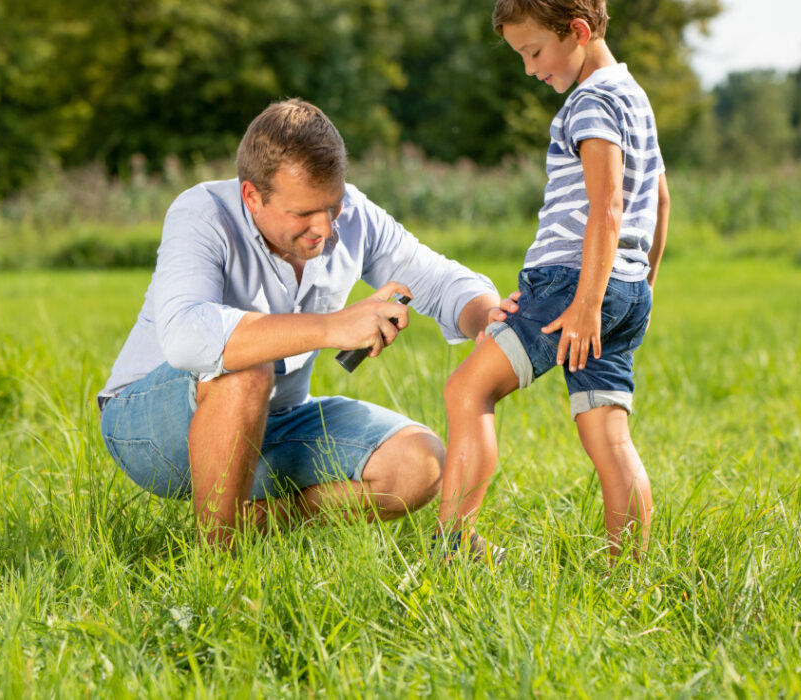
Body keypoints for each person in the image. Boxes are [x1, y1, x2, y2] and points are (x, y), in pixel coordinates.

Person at [98, 98, 515, 548]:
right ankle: (216, 562)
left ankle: (254, 523)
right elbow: (186, 336)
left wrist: (487, 318)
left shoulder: (351, 215)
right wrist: (332, 326)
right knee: (246, 365)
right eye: (302, 214)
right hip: (149, 425)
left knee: (418, 464)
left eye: (331, 205)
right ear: (252, 196)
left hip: (275, 418)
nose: (323, 227)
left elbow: (439, 279)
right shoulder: (201, 213)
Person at [436, 0, 670, 560]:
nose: (529, 68)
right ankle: (628, 574)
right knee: (610, 437)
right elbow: (659, 198)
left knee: (468, 390)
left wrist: (588, 300)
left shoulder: (589, 102)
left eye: (534, 51)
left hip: (574, 284)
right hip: (624, 287)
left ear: (579, 32)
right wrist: (642, 285)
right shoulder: (633, 97)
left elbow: (607, 204)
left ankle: (452, 549)